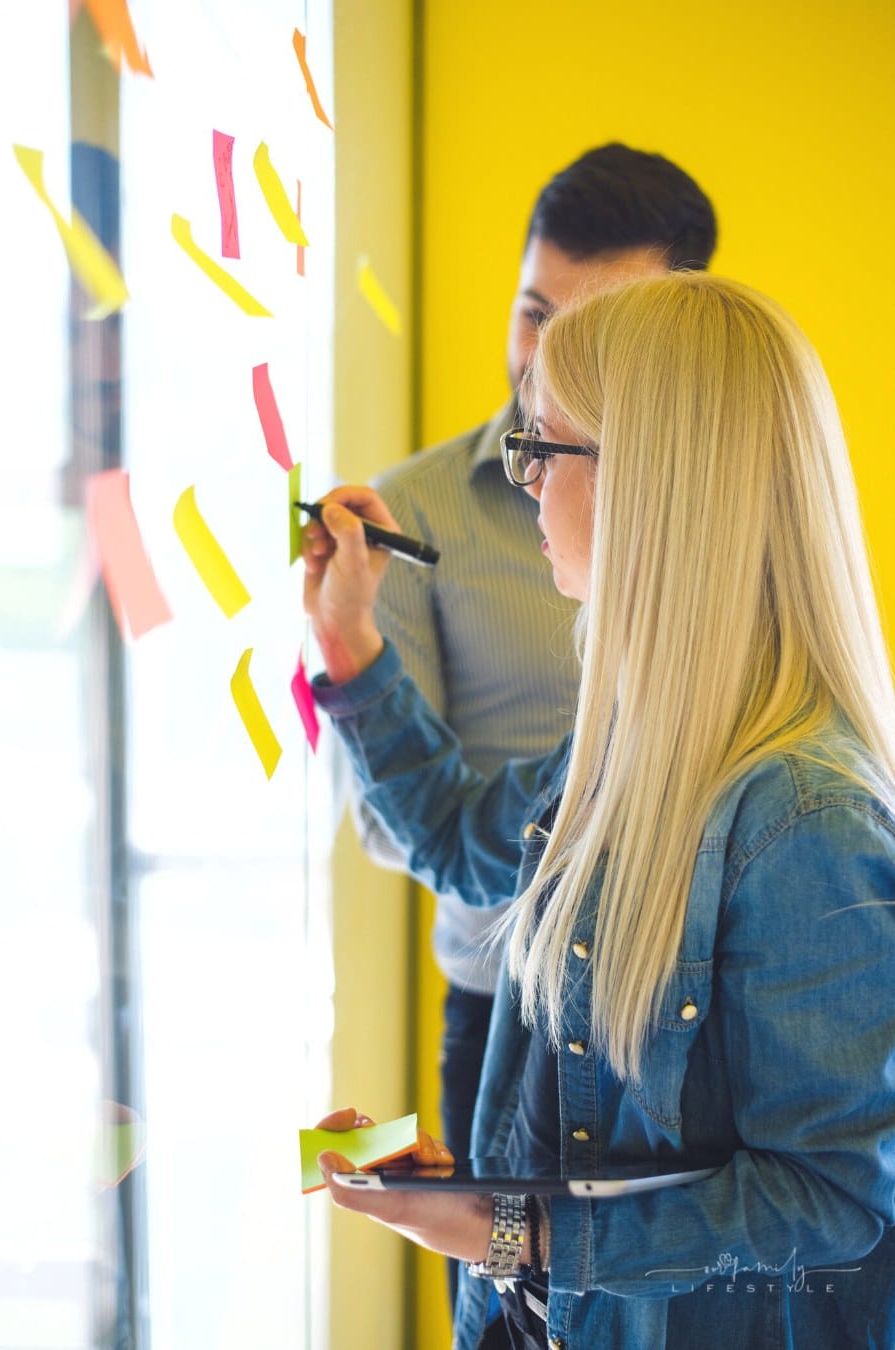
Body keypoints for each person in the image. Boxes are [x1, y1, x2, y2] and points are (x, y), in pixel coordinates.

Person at [302, 273, 895, 1349]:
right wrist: (346, 634)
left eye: (546, 448)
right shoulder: (626, 749)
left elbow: (837, 1206)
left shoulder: (805, 819)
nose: (523, 482)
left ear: (656, 486)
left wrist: (508, 1229)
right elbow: (459, 842)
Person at [353, 144, 718, 1238]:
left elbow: (811, 1209)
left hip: (672, 1020)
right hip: (504, 1008)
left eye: (596, 329)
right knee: (512, 1288)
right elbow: (425, 834)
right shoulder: (406, 517)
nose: (544, 362)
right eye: (532, 314)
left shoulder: (730, 571)